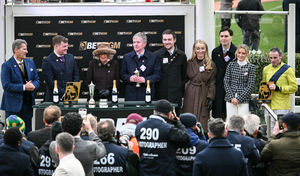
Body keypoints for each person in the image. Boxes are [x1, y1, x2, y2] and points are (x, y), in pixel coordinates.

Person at [135, 99, 190, 176]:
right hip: (164, 172)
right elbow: (186, 138)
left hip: (145, 172)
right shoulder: (168, 129)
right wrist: (176, 120)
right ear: (170, 114)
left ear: (154, 111)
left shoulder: (139, 126)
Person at [1, 39, 40, 134]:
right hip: (13, 107)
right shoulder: (7, 65)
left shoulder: (30, 63)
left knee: (27, 132)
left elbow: (37, 80)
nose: (27, 51)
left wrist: (33, 86)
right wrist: (24, 87)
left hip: (28, 105)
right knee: (12, 134)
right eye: (24, 49)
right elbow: (6, 85)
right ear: (16, 50)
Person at [49, 112, 106, 176]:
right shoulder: (91, 147)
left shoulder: (54, 145)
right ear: (81, 127)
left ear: (63, 127)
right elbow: (102, 150)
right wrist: (90, 130)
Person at [183, 40, 217, 132]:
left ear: (206, 49)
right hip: (191, 92)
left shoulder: (211, 64)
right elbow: (184, 78)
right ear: (194, 49)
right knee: (189, 113)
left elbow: (212, 82)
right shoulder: (189, 63)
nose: (200, 51)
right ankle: (188, 133)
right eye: (198, 48)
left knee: (203, 116)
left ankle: (203, 134)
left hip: (203, 93)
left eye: (202, 48)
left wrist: (210, 97)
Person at [262, 47, 298, 130]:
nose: (272, 60)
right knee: (269, 132)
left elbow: (294, 87)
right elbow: (263, 85)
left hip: (282, 106)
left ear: (280, 56)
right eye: (271, 58)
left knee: (281, 130)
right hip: (268, 105)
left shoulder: (288, 69)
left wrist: (279, 88)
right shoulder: (266, 69)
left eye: (275, 57)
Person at [154, 29, 187, 115]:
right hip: (160, 96)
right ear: (162, 40)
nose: (167, 42)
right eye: (165, 40)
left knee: (175, 121)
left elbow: (184, 76)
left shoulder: (181, 56)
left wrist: (178, 86)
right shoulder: (157, 55)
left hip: (176, 96)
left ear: (174, 40)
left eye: (169, 39)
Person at [121, 32, 161, 101]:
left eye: (138, 42)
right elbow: (122, 74)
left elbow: (157, 75)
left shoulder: (153, 57)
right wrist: (129, 78)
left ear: (144, 44)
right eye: (134, 42)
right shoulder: (127, 57)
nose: (135, 44)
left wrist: (145, 80)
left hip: (147, 94)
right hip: (131, 96)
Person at [42, 35, 79, 102]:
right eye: (64, 46)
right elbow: (50, 81)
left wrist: (72, 90)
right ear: (56, 46)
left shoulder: (70, 57)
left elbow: (76, 74)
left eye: (67, 46)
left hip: (70, 96)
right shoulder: (48, 61)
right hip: (54, 98)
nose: (67, 48)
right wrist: (64, 92)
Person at [224, 44, 256, 119]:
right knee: (231, 121)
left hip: (244, 100)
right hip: (230, 99)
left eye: (243, 53)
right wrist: (232, 97)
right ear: (236, 53)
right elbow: (226, 81)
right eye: (239, 53)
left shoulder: (251, 67)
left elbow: (250, 85)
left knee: (244, 121)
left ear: (247, 54)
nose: (241, 55)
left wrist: (239, 99)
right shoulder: (231, 65)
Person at [211, 27, 237, 120]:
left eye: (226, 36)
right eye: (221, 36)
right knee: (218, 114)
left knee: (231, 115)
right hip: (219, 88)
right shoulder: (215, 52)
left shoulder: (236, 52)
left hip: (232, 88)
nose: (223, 38)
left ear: (231, 37)